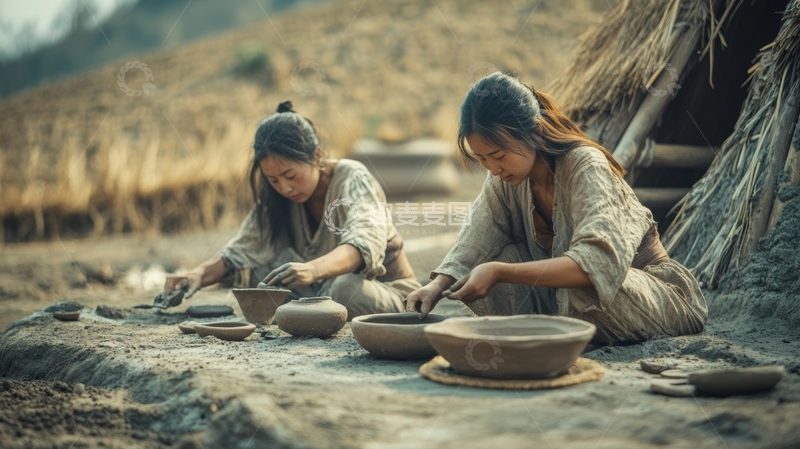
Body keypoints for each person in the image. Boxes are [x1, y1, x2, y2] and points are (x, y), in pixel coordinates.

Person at [405, 72, 707, 343]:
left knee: (573, 285)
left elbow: (594, 266)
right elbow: (477, 238)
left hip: (655, 295)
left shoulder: (585, 166)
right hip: (565, 302)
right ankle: (548, 334)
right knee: (487, 261)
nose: (493, 169)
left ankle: (555, 331)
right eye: (482, 159)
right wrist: (436, 286)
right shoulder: (505, 180)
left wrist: (499, 271)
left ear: (534, 131)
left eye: (498, 156)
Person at [162, 101, 421, 319]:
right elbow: (241, 250)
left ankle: (310, 310)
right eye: (273, 180)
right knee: (260, 275)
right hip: (320, 290)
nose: (284, 188)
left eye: (290, 175)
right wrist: (196, 276)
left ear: (316, 156)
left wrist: (312, 270)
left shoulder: (354, 179)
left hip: (382, 291)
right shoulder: (277, 198)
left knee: (344, 288)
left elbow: (362, 245)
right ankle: (311, 311)